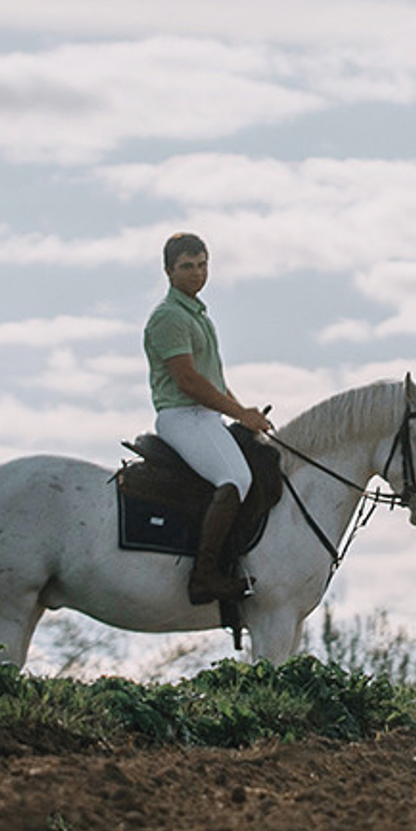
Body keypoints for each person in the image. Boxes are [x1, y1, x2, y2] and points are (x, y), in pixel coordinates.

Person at [144, 232, 272, 606]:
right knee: (236, 478)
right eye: (187, 266)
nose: (197, 273)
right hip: (183, 415)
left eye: (202, 265)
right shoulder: (169, 317)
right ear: (169, 271)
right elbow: (188, 381)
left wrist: (244, 415)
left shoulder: (198, 315)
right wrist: (239, 414)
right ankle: (204, 578)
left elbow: (213, 382)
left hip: (205, 417)